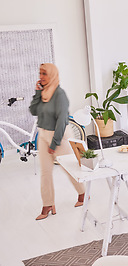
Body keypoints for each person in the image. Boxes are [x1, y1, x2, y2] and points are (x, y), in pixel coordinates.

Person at [29, 63, 85, 220]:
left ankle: (83, 193)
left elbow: (62, 121)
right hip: (43, 135)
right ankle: (47, 205)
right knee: (45, 173)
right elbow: (33, 110)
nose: (41, 76)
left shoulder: (60, 95)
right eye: (40, 73)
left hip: (59, 136)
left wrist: (54, 144)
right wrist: (37, 93)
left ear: (52, 75)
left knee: (69, 169)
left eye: (44, 73)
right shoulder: (43, 93)